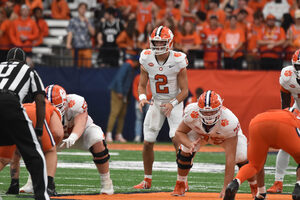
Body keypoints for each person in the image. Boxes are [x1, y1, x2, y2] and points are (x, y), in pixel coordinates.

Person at [171, 90, 257, 198]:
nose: (209, 115)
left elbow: (230, 158)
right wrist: (189, 144)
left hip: (224, 137)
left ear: (220, 109)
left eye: (212, 112)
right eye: (205, 112)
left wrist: (226, 187)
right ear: (198, 109)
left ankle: (255, 187)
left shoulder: (229, 121)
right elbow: (179, 132)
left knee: (241, 156)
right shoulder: (192, 112)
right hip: (200, 134)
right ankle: (180, 184)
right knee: (185, 149)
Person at [133, 26, 189, 189]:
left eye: (161, 43)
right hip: (156, 102)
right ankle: (147, 180)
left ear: (169, 42)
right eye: (155, 43)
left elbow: (185, 91)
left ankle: (182, 181)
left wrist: (172, 104)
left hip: (174, 102)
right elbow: (142, 85)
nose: (158, 46)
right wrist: (143, 98)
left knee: (177, 140)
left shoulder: (178, 59)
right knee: (148, 141)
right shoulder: (146, 57)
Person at [46, 84, 114, 195]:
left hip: (80, 134)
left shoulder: (75, 102)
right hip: (56, 136)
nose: (54, 110)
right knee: (38, 146)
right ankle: (32, 182)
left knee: (97, 139)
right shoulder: (38, 106)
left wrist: (73, 136)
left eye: (57, 106)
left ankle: (106, 182)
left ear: (65, 101)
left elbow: (81, 123)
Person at [0, 47, 49, 200]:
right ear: (23, 60)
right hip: (10, 102)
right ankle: (41, 196)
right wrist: (39, 130)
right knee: (34, 153)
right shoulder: (29, 70)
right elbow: (40, 100)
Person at [223, 108, 300, 200]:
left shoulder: (284, 111)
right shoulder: (294, 117)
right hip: (284, 125)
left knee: (254, 165)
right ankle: (298, 187)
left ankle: (236, 183)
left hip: (258, 122)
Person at [3, 100, 63, 196]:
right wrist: (51, 145)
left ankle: (14, 184)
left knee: (6, 158)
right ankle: (49, 186)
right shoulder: (51, 108)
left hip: (13, 115)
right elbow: (58, 132)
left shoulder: (26, 104)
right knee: (50, 151)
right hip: (34, 116)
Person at [266, 49, 300, 193]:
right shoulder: (288, 76)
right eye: (298, 66)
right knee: (285, 144)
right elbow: (285, 99)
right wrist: (285, 116)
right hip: (298, 109)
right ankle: (278, 182)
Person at [105, 56, 140, 142]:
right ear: (135, 62)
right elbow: (119, 79)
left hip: (124, 94)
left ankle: (118, 134)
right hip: (117, 92)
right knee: (115, 112)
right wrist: (120, 91)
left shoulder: (130, 67)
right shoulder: (127, 65)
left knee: (122, 114)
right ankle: (108, 134)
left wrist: (126, 95)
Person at [66, 2, 95, 68]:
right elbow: (70, 32)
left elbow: (93, 33)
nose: (83, 10)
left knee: (88, 68)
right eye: (81, 8)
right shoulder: (73, 20)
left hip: (86, 47)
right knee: (77, 67)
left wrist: (88, 23)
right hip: (76, 47)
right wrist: (68, 43)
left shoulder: (89, 20)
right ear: (78, 9)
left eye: (85, 8)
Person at [132, 74, 152, 142]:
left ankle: (149, 137)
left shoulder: (151, 77)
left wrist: (148, 98)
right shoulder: (137, 77)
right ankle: (138, 136)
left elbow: (153, 90)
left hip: (149, 100)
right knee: (139, 119)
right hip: (139, 100)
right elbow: (135, 89)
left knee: (149, 118)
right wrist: (139, 99)